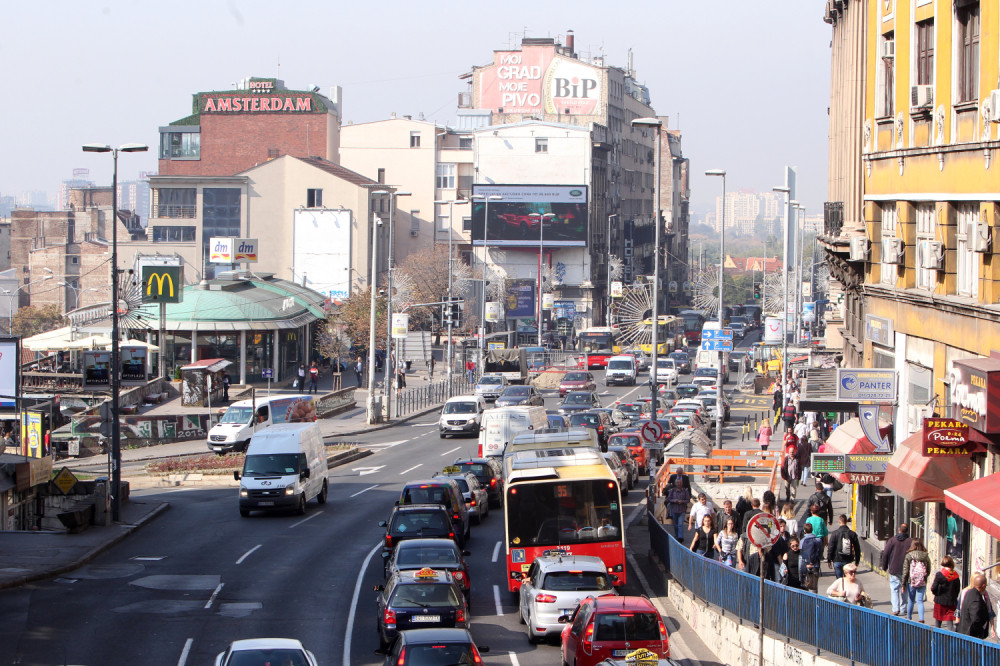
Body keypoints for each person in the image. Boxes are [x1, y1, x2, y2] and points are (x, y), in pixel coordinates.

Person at [880, 523, 914, 616]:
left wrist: (884, 566)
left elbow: (886, 553)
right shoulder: (910, 542)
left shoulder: (892, 540)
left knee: (894, 588)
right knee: (905, 588)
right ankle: (903, 608)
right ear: (907, 530)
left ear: (899, 530)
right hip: (906, 569)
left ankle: (895, 608)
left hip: (894, 568)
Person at [957, 573, 997, 639]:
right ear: (983, 586)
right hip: (971, 636)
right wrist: (981, 632)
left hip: (965, 632)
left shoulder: (969, 593)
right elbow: (975, 619)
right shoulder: (976, 599)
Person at [902, 539, 932, 623]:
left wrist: (903, 584)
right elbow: (929, 569)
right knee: (920, 600)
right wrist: (924, 577)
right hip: (922, 581)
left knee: (911, 600)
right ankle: (921, 619)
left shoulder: (909, 556)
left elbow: (905, 570)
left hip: (911, 581)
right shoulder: (925, 556)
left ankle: (909, 617)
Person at [931, 555, 962, 631]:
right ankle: (952, 638)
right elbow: (957, 589)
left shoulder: (939, 574)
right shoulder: (955, 575)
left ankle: (936, 639)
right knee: (950, 622)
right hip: (951, 602)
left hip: (940, 601)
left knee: (938, 622)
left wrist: (937, 593)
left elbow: (934, 588)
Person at [826, 515, 861, 580]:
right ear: (846, 522)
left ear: (839, 521)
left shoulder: (835, 533)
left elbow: (831, 547)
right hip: (848, 560)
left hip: (837, 560)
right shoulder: (852, 534)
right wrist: (857, 560)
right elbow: (857, 548)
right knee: (848, 580)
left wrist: (829, 560)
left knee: (839, 581)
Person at [799, 523, 823, 591]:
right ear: (812, 530)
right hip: (815, 565)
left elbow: (800, 553)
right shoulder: (818, 540)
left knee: (805, 585)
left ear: (804, 531)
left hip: (805, 565)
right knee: (814, 585)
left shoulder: (802, 541)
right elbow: (820, 553)